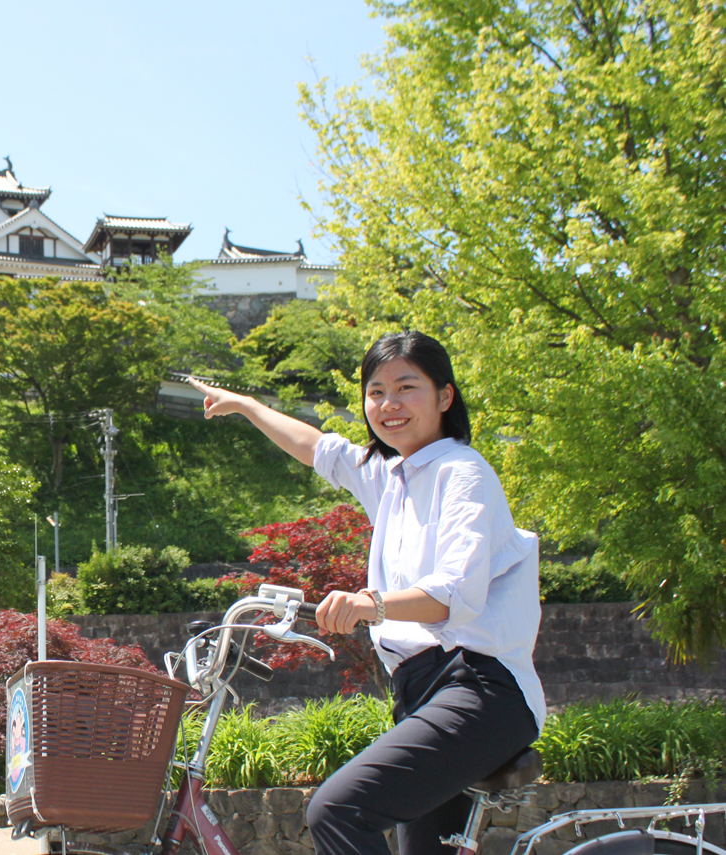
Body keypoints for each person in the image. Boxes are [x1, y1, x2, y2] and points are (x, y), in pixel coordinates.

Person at [187, 330, 543, 855]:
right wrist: (245, 405)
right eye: (375, 392)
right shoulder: (390, 476)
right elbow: (317, 448)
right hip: (423, 690)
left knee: (337, 810)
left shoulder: (462, 474)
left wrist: (369, 604)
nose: (388, 404)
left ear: (445, 396)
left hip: (481, 689)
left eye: (406, 388)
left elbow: (454, 593)